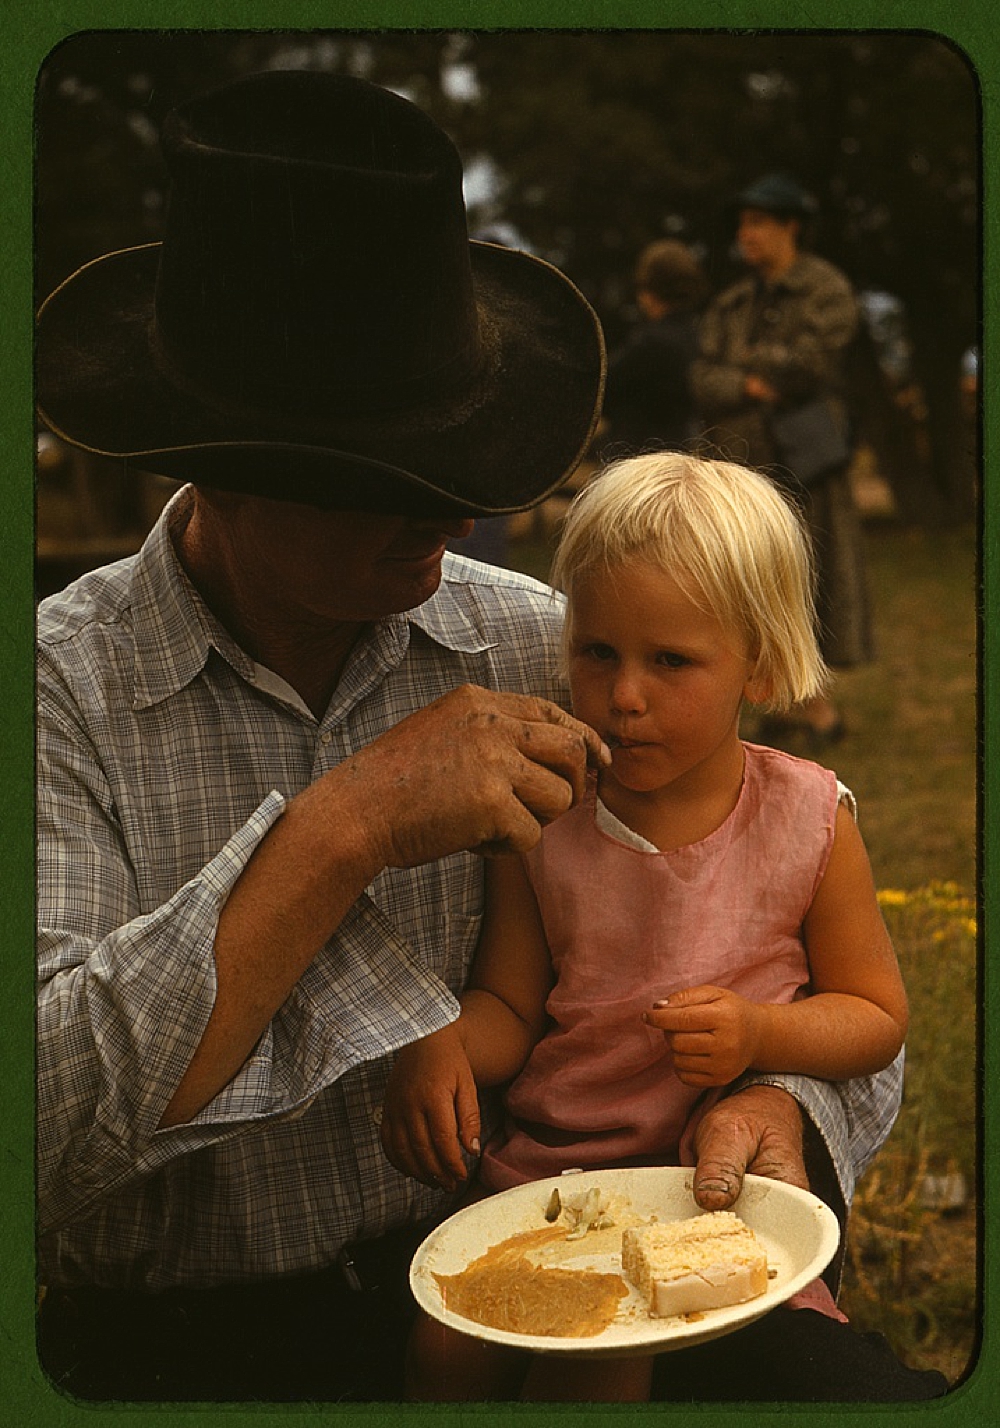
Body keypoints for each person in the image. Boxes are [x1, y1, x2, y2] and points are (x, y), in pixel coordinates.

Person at [33, 71, 930, 1403]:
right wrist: (345, 826)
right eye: (387, 486)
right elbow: (42, 1130)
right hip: (178, 1339)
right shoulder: (57, 690)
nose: (449, 524)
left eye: (462, 472)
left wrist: (783, 1104)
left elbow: (815, 973)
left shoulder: (548, 645)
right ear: (214, 465)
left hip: (554, 1258)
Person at [379, 453, 912, 1402]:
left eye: (670, 662)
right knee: (445, 1343)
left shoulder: (809, 817)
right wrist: (436, 1043)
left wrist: (761, 1033)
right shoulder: (543, 816)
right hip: (555, 1173)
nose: (625, 695)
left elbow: (874, 1014)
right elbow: (510, 1003)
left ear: (757, 655)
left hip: (710, 1183)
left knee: (612, 1363)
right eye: (598, 653)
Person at [691, 172, 874, 746]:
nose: (747, 234)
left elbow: (812, 362)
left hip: (807, 464)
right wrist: (749, 383)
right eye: (743, 223)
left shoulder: (824, 288)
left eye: (759, 223)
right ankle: (783, 707)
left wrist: (749, 365)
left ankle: (817, 712)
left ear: (790, 227)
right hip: (743, 467)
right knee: (751, 584)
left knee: (810, 582)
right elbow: (702, 376)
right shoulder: (732, 302)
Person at [598, 238, 708, 457]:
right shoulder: (701, 335)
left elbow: (602, 388)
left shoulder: (651, 342)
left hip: (636, 458)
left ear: (647, 290)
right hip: (680, 456)